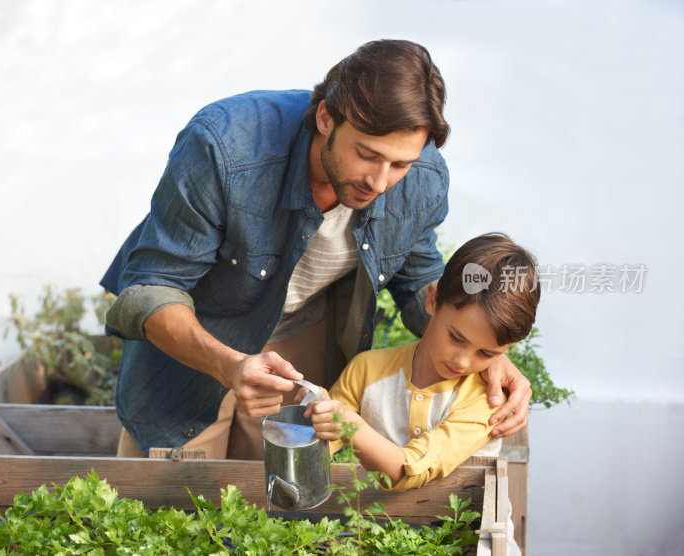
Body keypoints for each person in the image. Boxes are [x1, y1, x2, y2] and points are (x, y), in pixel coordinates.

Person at [99, 39, 532, 460]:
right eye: (367, 154)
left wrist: (486, 354)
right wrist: (229, 366)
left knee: (274, 499)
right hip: (195, 329)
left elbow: (419, 281)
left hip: (302, 333)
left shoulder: (423, 177)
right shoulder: (225, 146)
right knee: (169, 496)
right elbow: (152, 288)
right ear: (326, 117)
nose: (380, 182)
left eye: (400, 164)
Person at [303, 233, 540, 491]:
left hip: (466, 529)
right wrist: (316, 412)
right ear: (432, 300)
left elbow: (408, 472)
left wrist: (350, 425)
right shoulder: (366, 370)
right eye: (456, 337)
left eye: (486, 354)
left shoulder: (487, 400)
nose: (462, 361)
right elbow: (318, 449)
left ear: (506, 349)